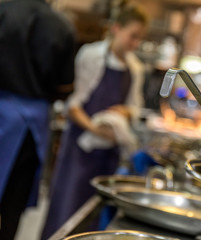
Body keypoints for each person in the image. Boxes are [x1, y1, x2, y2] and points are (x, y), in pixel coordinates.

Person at [41, 1, 148, 238]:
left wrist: (123, 112)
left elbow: (135, 107)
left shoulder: (135, 68)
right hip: (80, 150)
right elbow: (73, 104)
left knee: (94, 216)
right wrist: (95, 129)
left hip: (108, 155)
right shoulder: (91, 55)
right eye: (133, 36)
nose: (135, 44)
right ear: (116, 29)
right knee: (68, 210)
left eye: (139, 38)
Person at [0, 0, 75, 239]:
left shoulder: (3, 11)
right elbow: (65, 86)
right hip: (31, 128)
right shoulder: (61, 26)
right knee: (13, 205)